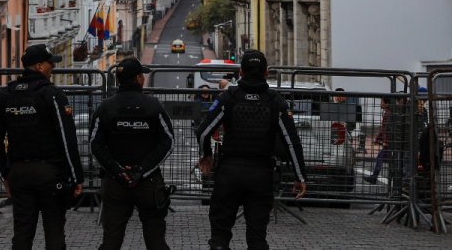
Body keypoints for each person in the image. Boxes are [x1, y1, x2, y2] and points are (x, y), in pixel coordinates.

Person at [194, 49, 306, 250]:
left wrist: (206, 155)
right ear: (267, 73)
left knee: (220, 235)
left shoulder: (228, 97)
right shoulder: (276, 101)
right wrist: (300, 176)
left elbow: (203, 132)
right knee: (257, 237)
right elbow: (292, 142)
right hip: (261, 174)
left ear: (240, 73)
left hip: (229, 172)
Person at [0, 43, 83, 250]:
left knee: (22, 233)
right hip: (50, 174)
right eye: (50, 63)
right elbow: (67, 139)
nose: (53, 67)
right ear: (40, 66)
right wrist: (77, 177)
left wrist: (5, 174)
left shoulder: (6, 95)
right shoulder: (52, 95)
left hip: (18, 173)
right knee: (54, 231)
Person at [89, 57, 175, 250]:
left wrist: (118, 170)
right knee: (156, 241)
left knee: (111, 240)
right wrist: (141, 170)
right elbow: (168, 142)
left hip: (115, 182)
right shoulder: (153, 106)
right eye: (142, 75)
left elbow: (95, 145)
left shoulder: (105, 107)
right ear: (138, 78)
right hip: (149, 183)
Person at [365, 96, 397, 184]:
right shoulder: (388, 112)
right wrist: (378, 138)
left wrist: (385, 141)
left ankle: (374, 177)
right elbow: (384, 129)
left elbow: (387, 129)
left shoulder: (388, 113)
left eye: (382, 102)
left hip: (389, 143)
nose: (380, 104)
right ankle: (375, 177)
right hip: (390, 142)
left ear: (386, 104)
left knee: (381, 158)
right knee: (387, 159)